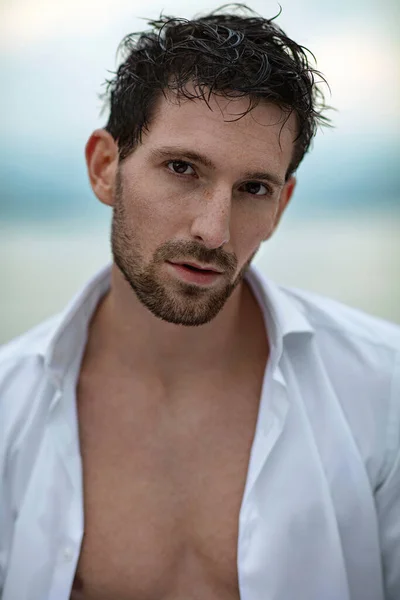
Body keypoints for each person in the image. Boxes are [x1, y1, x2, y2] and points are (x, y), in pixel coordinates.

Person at [0, 4, 399, 599]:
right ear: (106, 168)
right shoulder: (10, 408)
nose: (215, 231)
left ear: (282, 206)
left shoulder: (384, 389)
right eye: (183, 167)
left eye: (253, 188)